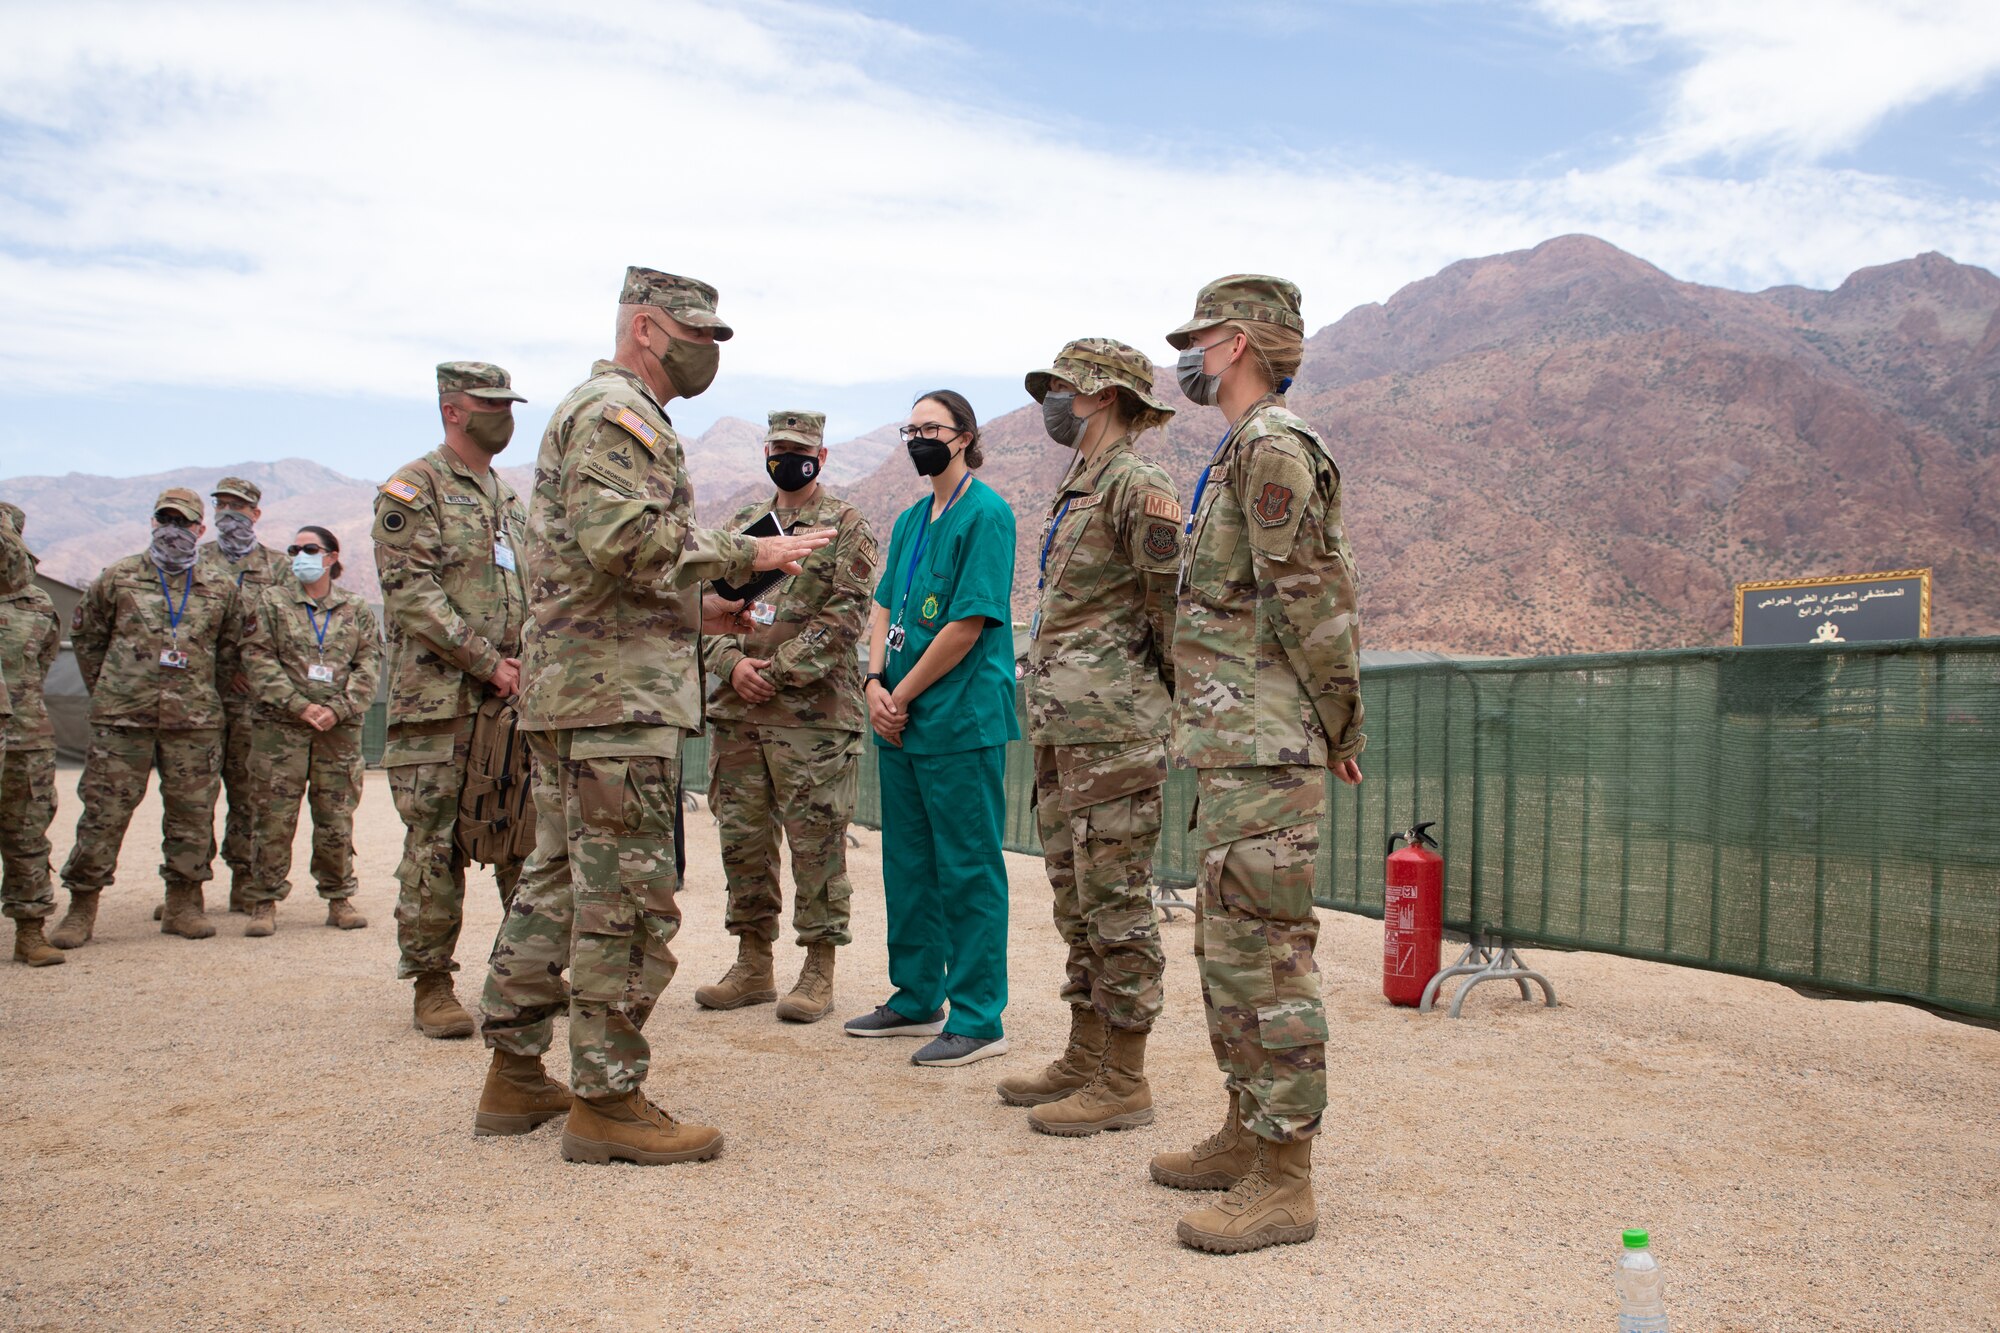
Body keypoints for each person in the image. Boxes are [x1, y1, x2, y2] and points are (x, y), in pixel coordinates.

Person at [474, 266, 831, 1162]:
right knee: (626, 901)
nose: (708, 350)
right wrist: (744, 553)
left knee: (555, 882)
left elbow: (603, 571)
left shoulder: (612, 413)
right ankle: (608, 1099)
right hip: (614, 703)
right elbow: (625, 538)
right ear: (644, 327)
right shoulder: (617, 412)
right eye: (696, 332)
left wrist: (694, 609)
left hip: (587, 689)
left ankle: (516, 1073)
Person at [1147, 275, 1365, 1254]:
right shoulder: (1242, 449)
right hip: (1235, 745)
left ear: (1233, 343)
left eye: (1194, 340)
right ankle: (1246, 1128)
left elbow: (1308, 596)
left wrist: (1341, 725)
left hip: (1270, 745)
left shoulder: (1273, 446)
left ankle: (1285, 1176)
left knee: (1269, 957)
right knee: (1229, 948)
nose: (1184, 358)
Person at [1002, 338, 1181, 1133]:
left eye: (1063, 388)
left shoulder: (1139, 487)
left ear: (1103, 396)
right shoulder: (1081, 483)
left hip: (1114, 735)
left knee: (1117, 903)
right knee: (1076, 896)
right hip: (1063, 727)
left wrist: (1165, 716)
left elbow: (1170, 612)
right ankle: (1087, 1049)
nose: (1052, 401)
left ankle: (1126, 1076)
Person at [843, 390, 1018, 1068]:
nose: (918, 438)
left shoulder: (987, 514)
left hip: (957, 717)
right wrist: (872, 682)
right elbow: (886, 598)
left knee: (968, 866)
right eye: (910, 428)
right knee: (909, 863)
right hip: (901, 721)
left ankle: (979, 1015)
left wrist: (901, 693)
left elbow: (968, 623)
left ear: (965, 435)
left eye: (931, 428)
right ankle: (918, 992)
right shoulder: (914, 517)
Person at [696, 410, 877, 1023]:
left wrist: (774, 672)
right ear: (766, 453)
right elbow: (705, 609)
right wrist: (729, 664)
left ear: (821, 457)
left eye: (801, 450)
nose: (788, 458)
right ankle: (752, 965)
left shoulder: (848, 526)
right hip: (737, 714)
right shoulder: (742, 532)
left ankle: (818, 968)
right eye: (779, 448)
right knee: (743, 842)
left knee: (816, 844)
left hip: (812, 720)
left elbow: (845, 617)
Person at [374, 361, 531, 1038]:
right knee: (435, 843)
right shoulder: (415, 489)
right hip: (439, 704)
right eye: (489, 402)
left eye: (508, 402)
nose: (504, 413)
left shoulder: (509, 499)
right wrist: (488, 661)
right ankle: (432, 981)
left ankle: (521, 973)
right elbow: (413, 595)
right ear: (453, 410)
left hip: (510, 703)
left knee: (520, 837)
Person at [50, 488, 249, 947]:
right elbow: (87, 639)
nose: (174, 530)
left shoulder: (219, 587)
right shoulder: (117, 577)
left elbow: (233, 650)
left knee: (192, 816)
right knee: (103, 813)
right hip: (123, 719)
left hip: (195, 722)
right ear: (153, 522)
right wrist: (112, 688)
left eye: (184, 523)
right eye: (166, 520)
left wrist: (202, 693)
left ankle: (183, 904)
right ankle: (82, 907)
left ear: (201, 530)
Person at [238, 526, 382, 937]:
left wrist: (337, 709)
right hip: (280, 731)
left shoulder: (355, 608)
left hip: (337, 732)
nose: (299, 554)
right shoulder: (271, 603)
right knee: (272, 817)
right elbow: (257, 658)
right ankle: (263, 901)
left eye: (310, 548)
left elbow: (370, 664)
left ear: (332, 556)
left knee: (336, 816)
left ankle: (339, 897)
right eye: (294, 549)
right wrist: (299, 705)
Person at [198, 476, 289, 913]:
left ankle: (246, 881)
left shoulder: (277, 568)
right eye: (222, 506)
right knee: (191, 796)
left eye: (239, 506)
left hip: (256, 703)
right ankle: (184, 888)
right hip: (198, 699)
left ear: (256, 513)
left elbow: (291, 631)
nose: (229, 513)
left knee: (250, 794)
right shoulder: (194, 563)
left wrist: (254, 673)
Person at [0, 504, 64, 966]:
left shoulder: (37, 602)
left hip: (25, 734)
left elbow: (41, 665)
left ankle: (30, 931)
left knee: (27, 834)